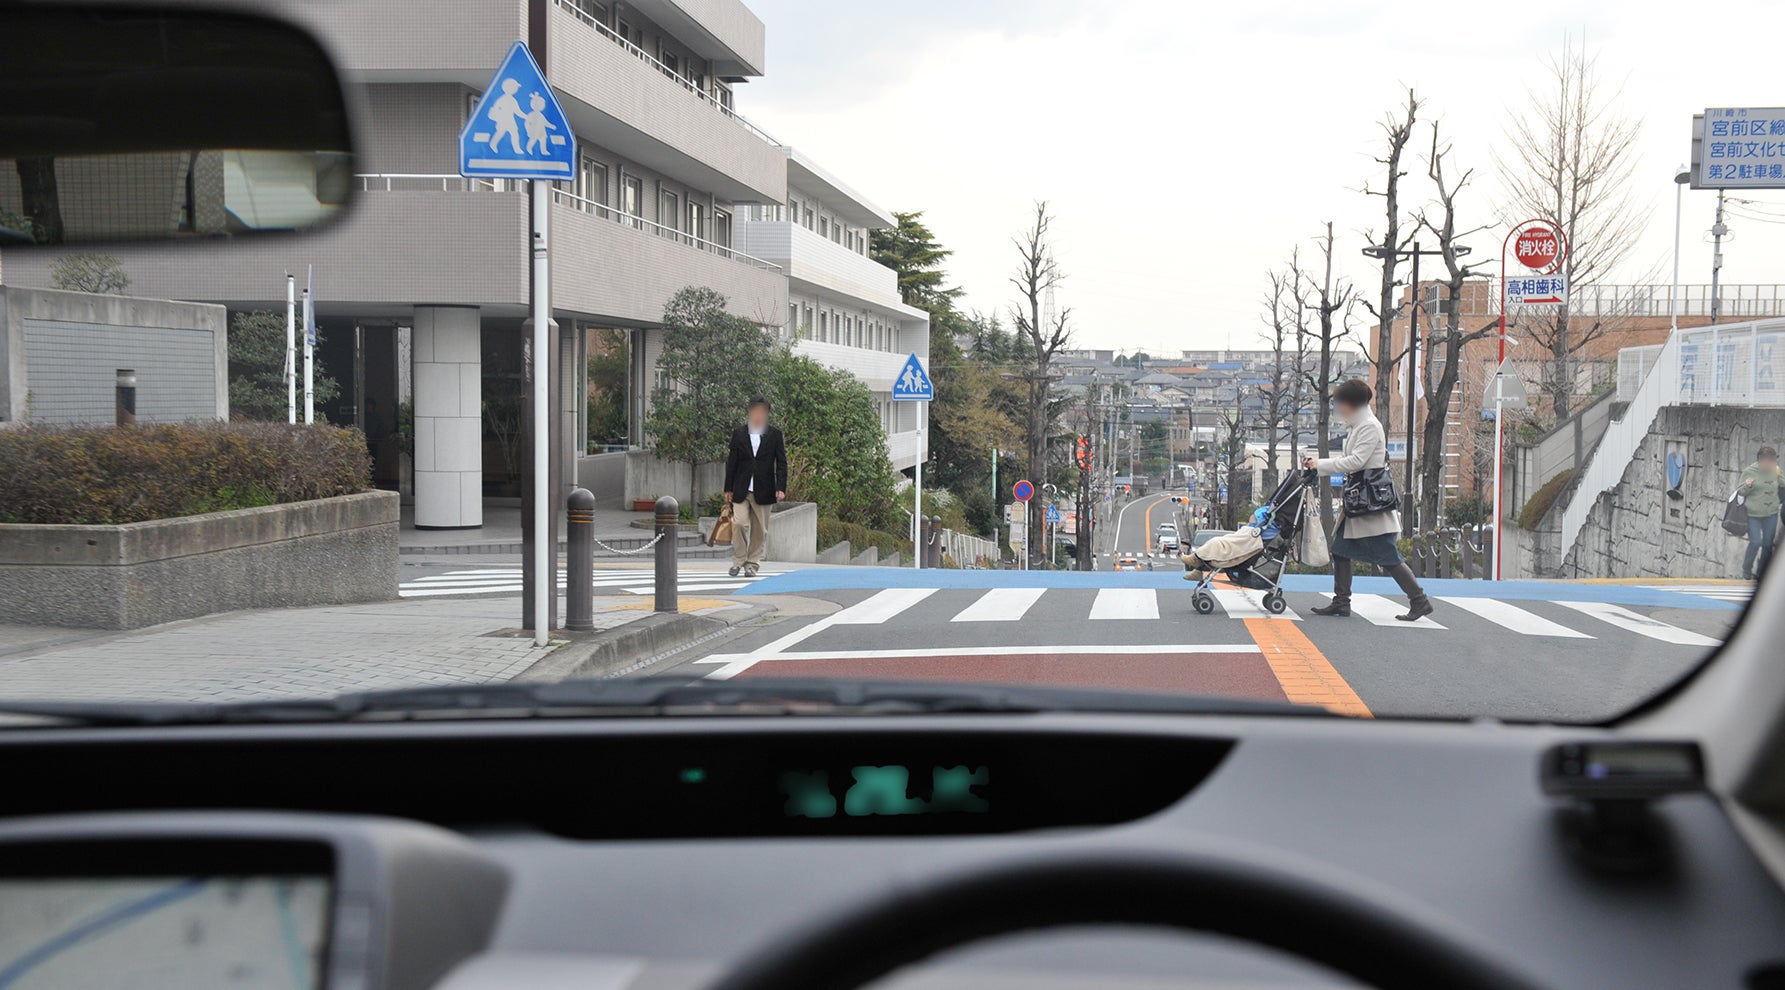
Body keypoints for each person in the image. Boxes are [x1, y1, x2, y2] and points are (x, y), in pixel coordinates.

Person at [1302, 378, 1430, 621]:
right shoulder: (1359, 425)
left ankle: (1419, 600)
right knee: (1340, 549)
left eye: (1341, 403)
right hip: (1360, 502)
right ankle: (1341, 602)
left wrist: (1321, 465)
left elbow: (1356, 462)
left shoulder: (1369, 426)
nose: (1339, 408)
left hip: (1369, 505)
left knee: (1387, 554)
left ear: (1352, 403)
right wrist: (1320, 464)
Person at [723, 397, 787, 578]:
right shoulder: (739, 433)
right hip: (741, 487)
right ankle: (738, 560)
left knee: (760, 529)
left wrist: (781, 486)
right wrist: (728, 488)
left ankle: (752, 564)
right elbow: (732, 462)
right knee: (739, 523)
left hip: (765, 487)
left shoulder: (775, 434)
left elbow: (781, 462)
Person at [1740, 445, 1782, 581]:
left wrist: (1779, 475)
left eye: (1771, 461)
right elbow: (1740, 491)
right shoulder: (1749, 471)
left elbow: (1784, 484)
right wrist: (1748, 485)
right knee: (1756, 542)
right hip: (1753, 515)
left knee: (1768, 545)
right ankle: (1747, 568)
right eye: (1766, 461)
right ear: (1759, 460)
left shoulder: (1775, 471)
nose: (1768, 464)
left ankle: (1760, 573)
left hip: (1771, 513)